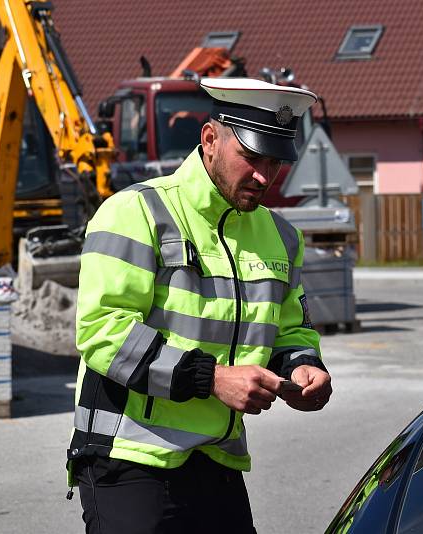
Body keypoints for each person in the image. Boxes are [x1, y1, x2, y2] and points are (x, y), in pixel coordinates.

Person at [67, 77, 332, 534]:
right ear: (210, 140)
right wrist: (213, 379)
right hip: (128, 457)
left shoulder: (282, 236)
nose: (264, 176)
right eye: (251, 157)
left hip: (215, 456)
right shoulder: (134, 212)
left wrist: (302, 367)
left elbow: (289, 330)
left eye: (275, 161)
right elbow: (103, 332)